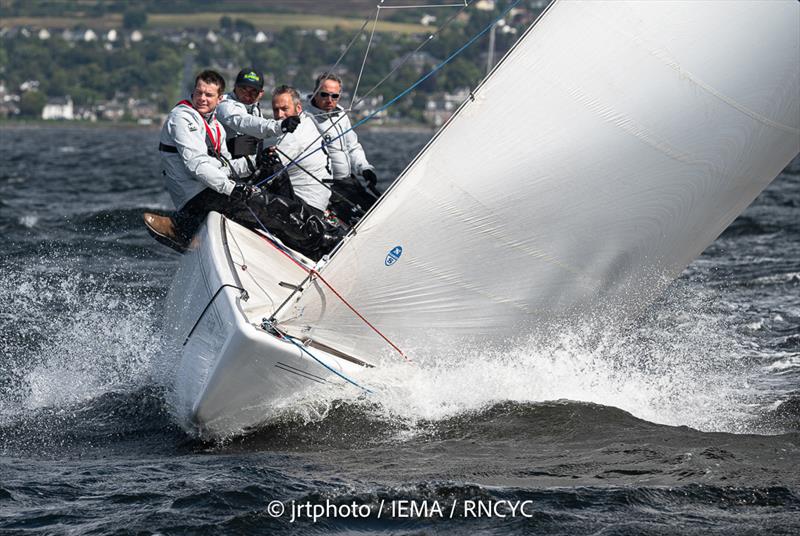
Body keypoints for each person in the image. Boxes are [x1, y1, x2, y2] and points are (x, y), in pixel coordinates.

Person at [143, 70, 340, 260]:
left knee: (270, 191)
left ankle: (309, 235)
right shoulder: (182, 117)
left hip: (210, 187)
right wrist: (234, 188)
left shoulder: (214, 124)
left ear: (218, 99)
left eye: (209, 95)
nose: (203, 98)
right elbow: (197, 165)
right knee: (269, 205)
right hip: (196, 195)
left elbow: (226, 166)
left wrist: (255, 162)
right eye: (199, 93)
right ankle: (320, 244)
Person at [305, 72, 379, 224]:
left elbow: (353, 147)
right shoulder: (306, 118)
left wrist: (364, 168)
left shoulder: (342, 115)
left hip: (348, 181)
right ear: (315, 93)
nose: (329, 100)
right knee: (358, 222)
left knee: (376, 211)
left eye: (335, 96)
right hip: (328, 186)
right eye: (324, 95)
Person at [215, 67, 300, 170]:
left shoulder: (255, 108)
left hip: (245, 167)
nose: (247, 96)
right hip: (223, 168)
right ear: (235, 87)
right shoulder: (225, 105)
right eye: (243, 90)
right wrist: (279, 126)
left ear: (261, 94)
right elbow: (244, 122)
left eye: (253, 92)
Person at [270, 85, 333, 215]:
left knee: (269, 167)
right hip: (319, 202)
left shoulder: (293, 136)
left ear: (298, 108)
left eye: (284, 109)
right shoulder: (307, 121)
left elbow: (267, 170)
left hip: (306, 207)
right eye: (276, 110)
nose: (279, 115)